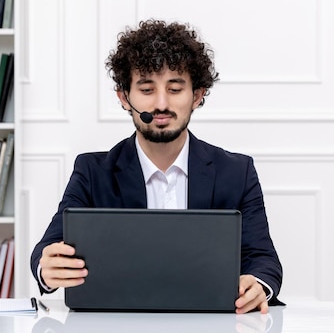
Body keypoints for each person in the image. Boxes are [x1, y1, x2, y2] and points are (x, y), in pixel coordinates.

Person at [30, 19, 283, 314]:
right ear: (125, 98)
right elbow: (47, 248)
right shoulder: (91, 171)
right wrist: (46, 267)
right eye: (147, 89)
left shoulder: (236, 172)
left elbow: (264, 260)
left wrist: (257, 283)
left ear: (197, 96)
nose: (161, 104)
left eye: (175, 89)